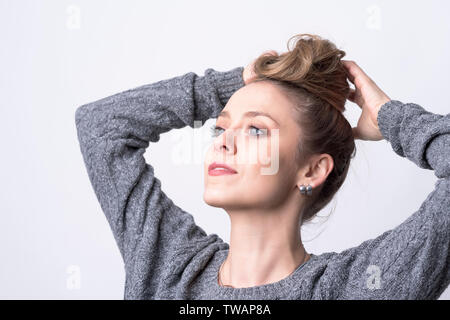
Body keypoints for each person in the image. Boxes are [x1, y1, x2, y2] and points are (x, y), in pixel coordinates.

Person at [75, 33, 449, 299]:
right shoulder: (168, 265)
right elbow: (100, 127)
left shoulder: (354, 286)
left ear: (312, 170)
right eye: (220, 127)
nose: (224, 140)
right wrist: (231, 86)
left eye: (256, 130)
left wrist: (391, 118)